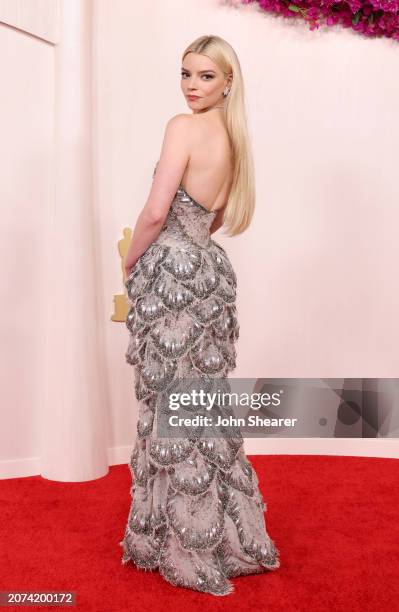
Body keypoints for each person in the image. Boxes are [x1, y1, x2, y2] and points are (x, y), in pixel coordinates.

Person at [119, 34, 280, 596]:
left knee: (170, 403)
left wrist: (131, 262)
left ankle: (182, 544)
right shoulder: (235, 140)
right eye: (185, 74)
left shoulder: (181, 128)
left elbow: (156, 210)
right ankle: (228, 539)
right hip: (210, 273)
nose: (191, 86)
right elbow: (208, 219)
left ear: (228, 81)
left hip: (171, 276)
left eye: (205, 76)